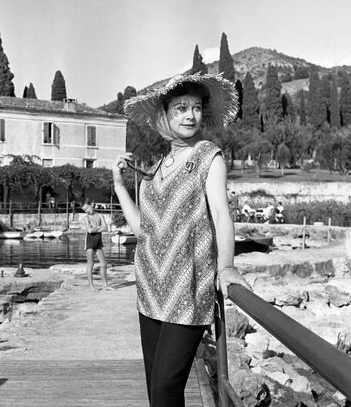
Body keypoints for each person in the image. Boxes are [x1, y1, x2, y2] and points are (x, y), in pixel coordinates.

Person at [112, 71, 251, 406]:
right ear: (165, 115)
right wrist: (119, 187)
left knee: (165, 391)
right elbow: (145, 230)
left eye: (196, 107)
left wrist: (227, 266)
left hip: (188, 291)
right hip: (149, 289)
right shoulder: (159, 165)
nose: (190, 115)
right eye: (180, 108)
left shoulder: (208, 156)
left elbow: (220, 214)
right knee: (156, 391)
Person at [82, 198, 114, 291]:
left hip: (98, 241)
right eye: (85, 210)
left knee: (104, 263)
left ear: (92, 204)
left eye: (87, 208)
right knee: (90, 263)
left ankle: (105, 285)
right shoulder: (86, 218)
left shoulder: (100, 215)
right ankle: (91, 286)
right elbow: (89, 230)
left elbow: (106, 228)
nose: (87, 211)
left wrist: (96, 228)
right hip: (89, 241)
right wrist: (100, 227)